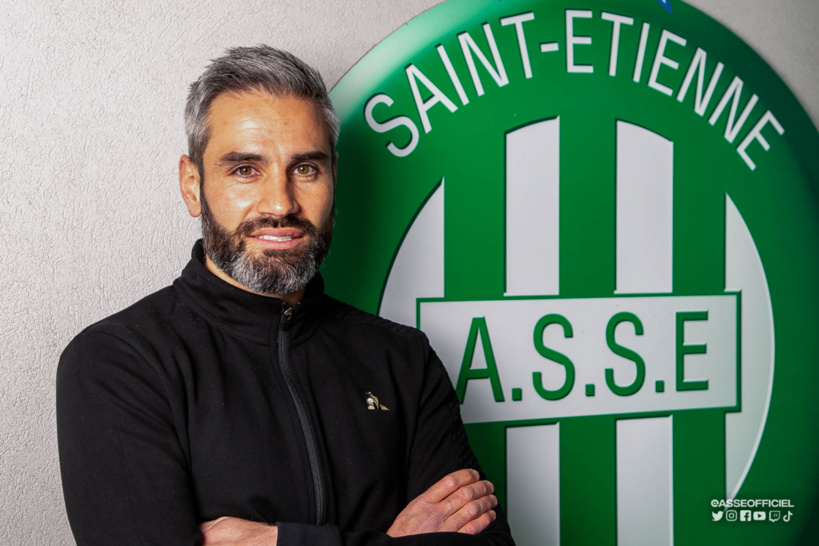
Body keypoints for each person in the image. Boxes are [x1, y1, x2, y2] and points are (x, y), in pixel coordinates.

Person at [56, 45, 515, 545]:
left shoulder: (403, 359)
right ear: (192, 185)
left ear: (334, 177)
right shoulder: (119, 362)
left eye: (305, 169)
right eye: (245, 170)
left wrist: (275, 541)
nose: (280, 204)